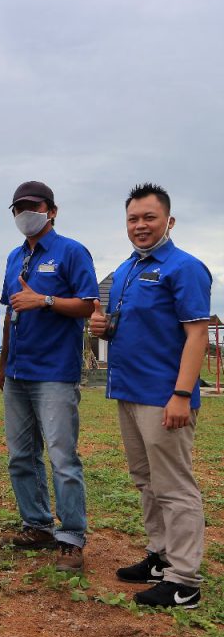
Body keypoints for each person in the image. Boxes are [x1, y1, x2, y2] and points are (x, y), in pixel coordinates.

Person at [91, 183, 210, 609]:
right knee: (146, 480)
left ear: (169, 221)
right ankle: (161, 557)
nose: (140, 226)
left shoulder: (185, 267)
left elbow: (197, 334)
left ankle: (184, 581)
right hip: (129, 391)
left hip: (164, 396)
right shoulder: (126, 269)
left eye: (149, 218)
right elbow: (131, 324)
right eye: (133, 219)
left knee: (174, 486)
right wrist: (105, 328)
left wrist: (182, 394)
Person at [0, 181, 98, 572]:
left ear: (51, 211)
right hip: (18, 372)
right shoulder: (14, 257)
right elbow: (10, 312)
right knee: (20, 456)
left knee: (62, 457)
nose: (25, 213)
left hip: (54, 372)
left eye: (33, 206)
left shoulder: (71, 252)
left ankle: (71, 537)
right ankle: (37, 525)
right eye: (18, 208)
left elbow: (89, 305)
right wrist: (3, 363)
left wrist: (45, 300)